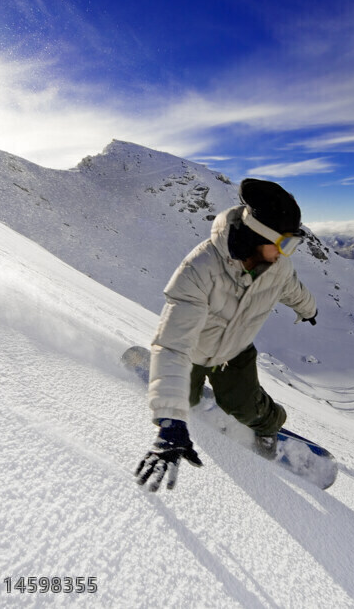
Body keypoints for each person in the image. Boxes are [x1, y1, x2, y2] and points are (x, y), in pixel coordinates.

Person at [135, 178, 318, 491]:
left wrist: (308, 309)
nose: (286, 254)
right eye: (284, 244)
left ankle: (270, 425)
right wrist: (170, 421)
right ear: (255, 236)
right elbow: (173, 346)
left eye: (293, 245)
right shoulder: (199, 269)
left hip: (235, 351)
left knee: (246, 408)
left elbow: (292, 289)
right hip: (191, 351)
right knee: (185, 401)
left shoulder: (276, 267)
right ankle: (173, 386)